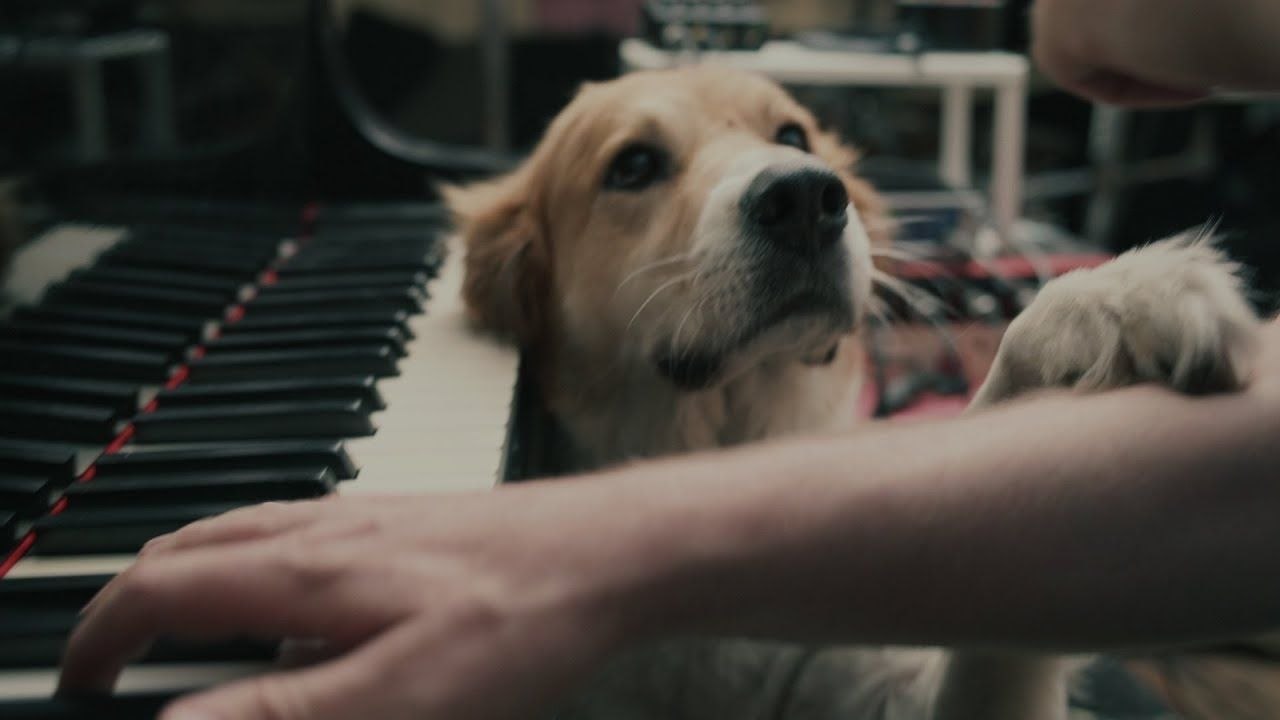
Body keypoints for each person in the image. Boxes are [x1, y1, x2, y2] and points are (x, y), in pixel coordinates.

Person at [59, 2, 1280, 718]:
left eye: (791, 147)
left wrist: (1026, 390)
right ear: (525, 281)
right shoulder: (501, 279)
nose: (784, 187)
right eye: (637, 168)